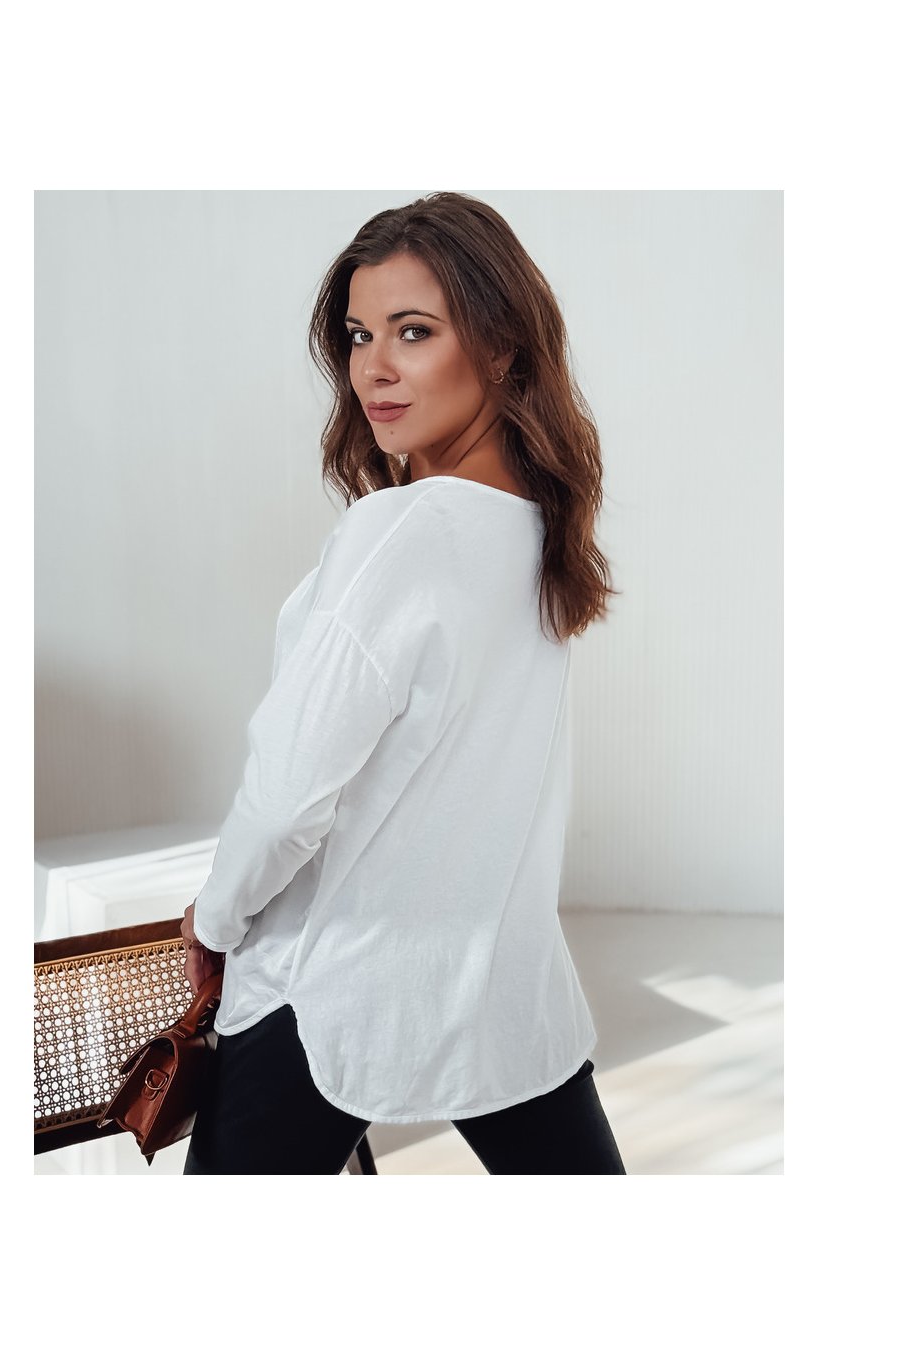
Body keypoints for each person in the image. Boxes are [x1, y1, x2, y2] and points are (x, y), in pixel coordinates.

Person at [180, 192, 626, 1175]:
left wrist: (215, 920)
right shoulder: (538, 536)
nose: (373, 368)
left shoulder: (403, 532)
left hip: (334, 991)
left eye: (414, 332)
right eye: (358, 335)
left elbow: (289, 792)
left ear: (501, 347)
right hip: (502, 987)